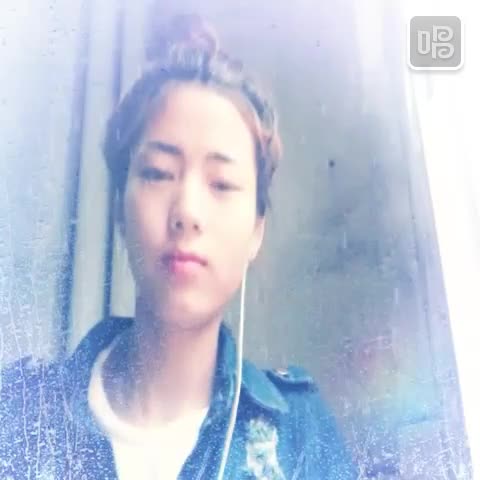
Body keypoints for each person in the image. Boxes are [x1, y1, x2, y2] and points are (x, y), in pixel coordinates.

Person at [0, 14, 357, 480]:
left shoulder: (300, 438)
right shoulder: (18, 415)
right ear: (119, 209)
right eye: (158, 174)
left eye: (221, 183)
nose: (187, 211)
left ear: (256, 231)